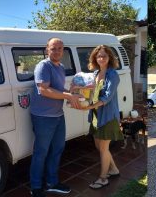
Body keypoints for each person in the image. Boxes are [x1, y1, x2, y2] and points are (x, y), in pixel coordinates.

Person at [29, 38, 82, 197]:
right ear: (47, 49)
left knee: (58, 149)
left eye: (60, 48)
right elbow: (43, 90)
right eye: (53, 48)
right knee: (41, 152)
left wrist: (73, 94)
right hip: (43, 117)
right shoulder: (43, 66)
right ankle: (36, 187)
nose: (57, 51)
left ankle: (52, 183)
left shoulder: (60, 67)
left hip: (58, 115)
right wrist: (67, 96)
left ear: (63, 50)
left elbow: (58, 89)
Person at [78, 45, 123, 189]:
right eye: (98, 56)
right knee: (99, 146)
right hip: (96, 115)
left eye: (104, 56)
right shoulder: (96, 73)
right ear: (95, 58)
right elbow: (91, 93)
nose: (101, 58)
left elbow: (108, 97)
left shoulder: (113, 74)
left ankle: (103, 178)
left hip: (108, 116)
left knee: (104, 148)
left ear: (109, 57)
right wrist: (78, 95)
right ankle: (114, 169)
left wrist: (89, 106)